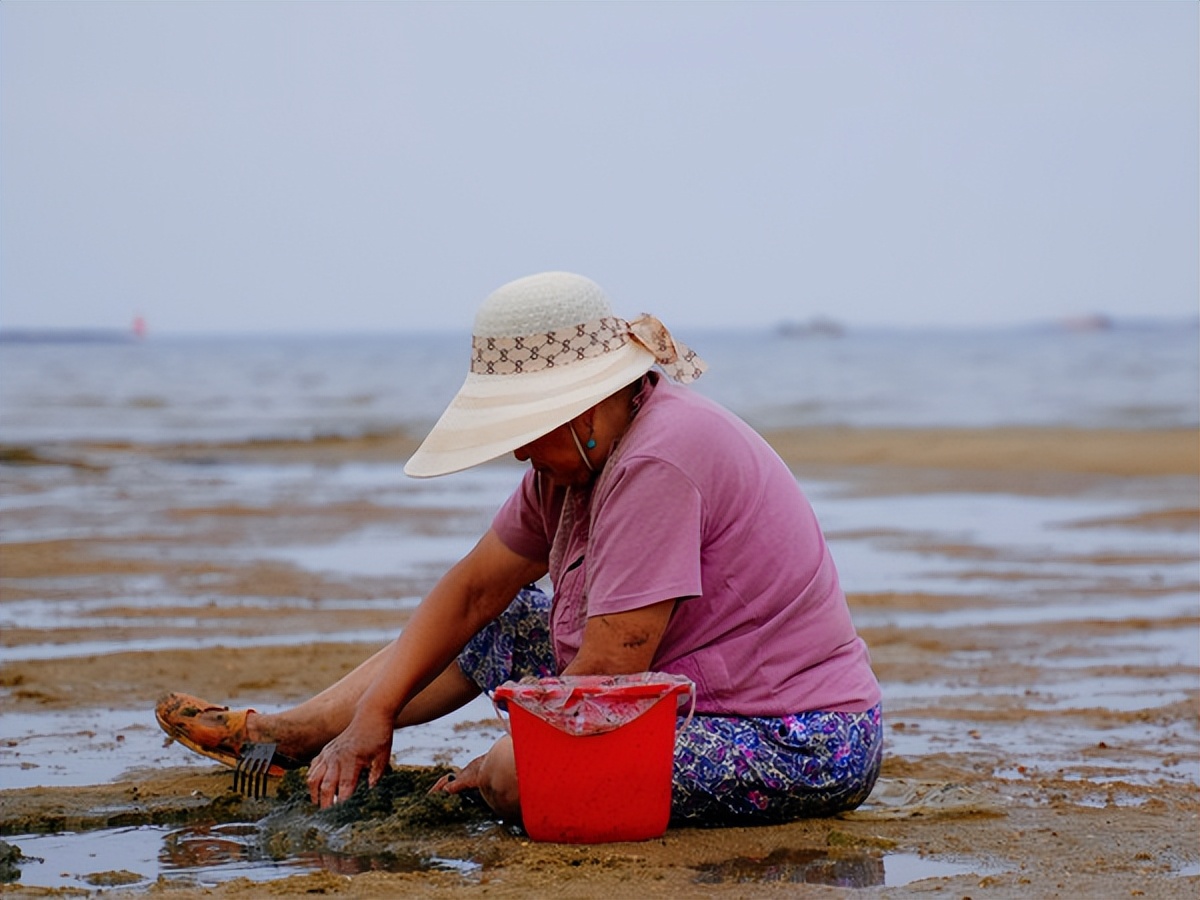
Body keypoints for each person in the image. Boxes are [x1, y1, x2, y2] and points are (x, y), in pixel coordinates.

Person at [156, 271, 883, 825]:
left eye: (521, 429)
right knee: (500, 621)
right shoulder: (573, 464)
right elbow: (473, 591)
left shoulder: (656, 462)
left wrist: (502, 761)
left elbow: (605, 674)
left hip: (796, 737)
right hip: (675, 693)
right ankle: (304, 732)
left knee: (516, 778)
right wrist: (372, 716)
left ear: (579, 407)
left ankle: (375, 749)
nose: (514, 455)